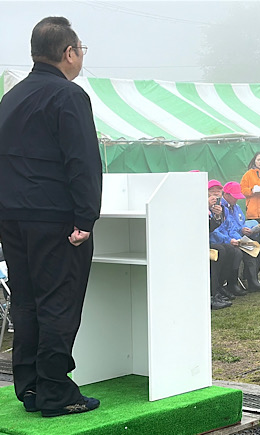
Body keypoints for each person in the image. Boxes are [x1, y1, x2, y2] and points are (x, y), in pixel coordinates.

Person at [0, 17, 102, 417]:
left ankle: (30, 386)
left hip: (12, 217)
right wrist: (85, 218)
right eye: (81, 50)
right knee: (59, 303)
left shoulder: (11, 98)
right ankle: (57, 392)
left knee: (25, 303)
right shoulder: (68, 95)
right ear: (69, 52)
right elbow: (82, 162)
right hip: (55, 218)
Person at [210, 182, 260, 293]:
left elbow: (233, 227)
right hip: (221, 241)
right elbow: (215, 231)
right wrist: (231, 240)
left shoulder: (234, 208)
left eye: (218, 191)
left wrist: (241, 237)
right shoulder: (218, 208)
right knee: (238, 252)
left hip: (233, 238)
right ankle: (231, 284)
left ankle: (251, 280)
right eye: (235, 197)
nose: (237, 199)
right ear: (226, 195)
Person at [208, 179, 244, 310]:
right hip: (208, 241)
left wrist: (238, 238)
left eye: (218, 191)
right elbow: (213, 232)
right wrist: (228, 240)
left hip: (222, 240)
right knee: (222, 250)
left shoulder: (224, 208)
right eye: (212, 191)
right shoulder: (199, 205)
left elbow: (230, 226)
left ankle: (225, 286)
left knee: (235, 251)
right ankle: (215, 291)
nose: (215, 194)